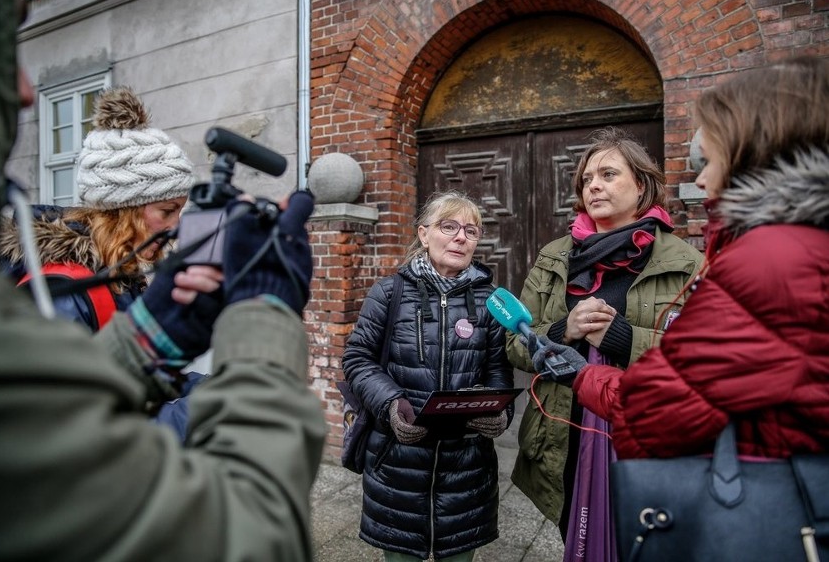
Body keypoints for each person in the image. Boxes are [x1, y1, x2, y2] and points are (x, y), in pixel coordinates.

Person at [0, 0, 327, 560]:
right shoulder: (55, 293)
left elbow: (68, 413)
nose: (23, 91)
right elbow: (249, 534)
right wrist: (263, 312)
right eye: (165, 213)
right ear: (120, 214)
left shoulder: (114, 277)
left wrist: (153, 335)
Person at [571, 57, 829, 459]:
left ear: (752, 155)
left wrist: (586, 372)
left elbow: (660, 411)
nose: (701, 180)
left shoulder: (768, 260)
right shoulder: (796, 245)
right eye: (587, 179)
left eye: (709, 161)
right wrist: (560, 334)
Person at [505, 127, 704, 540]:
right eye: (587, 179)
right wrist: (564, 330)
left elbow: (707, 360)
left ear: (642, 184)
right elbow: (515, 345)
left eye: (608, 174)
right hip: (567, 435)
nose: (593, 185)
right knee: (577, 536)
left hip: (646, 435)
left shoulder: (687, 263)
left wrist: (624, 339)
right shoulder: (555, 256)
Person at [342, 190, 514, 562]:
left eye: (471, 230)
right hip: (398, 462)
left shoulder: (492, 301)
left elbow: (499, 368)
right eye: (449, 226)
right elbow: (357, 358)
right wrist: (390, 403)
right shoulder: (389, 292)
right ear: (423, 234)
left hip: (466, 468)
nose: (460, 237)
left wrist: (499, 412)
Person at [0, 85, 195, 332]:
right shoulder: (64, 290)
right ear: (124, 211)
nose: (175, 225)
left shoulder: (116, 272)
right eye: (167, 211)